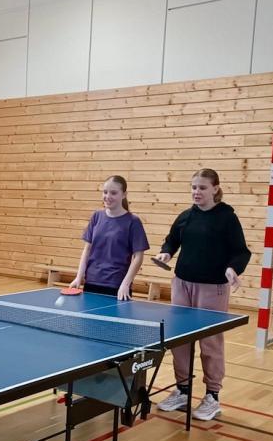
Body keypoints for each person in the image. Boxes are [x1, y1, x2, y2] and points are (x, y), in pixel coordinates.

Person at [154, 168, 251, 421]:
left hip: (212, 288)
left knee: (210, 342)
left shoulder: (227, 218)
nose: (197, 192)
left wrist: (233, 268)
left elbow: (241, 252)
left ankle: (212, 396)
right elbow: (172, 240)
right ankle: (183, 390)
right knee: (180, 340)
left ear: (215, 189)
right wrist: (166, 252)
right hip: (182, 285)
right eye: (194, 187)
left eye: (202, 188)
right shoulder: (186, 216)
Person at [68, 175, 149, 299]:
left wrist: (125, 284)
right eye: (105, 192)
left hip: (117, 286)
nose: (108, 196)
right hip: (92, 282)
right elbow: (87, 249)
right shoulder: (96, 216)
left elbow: (138, 257)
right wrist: (79, 277)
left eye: (113, 193)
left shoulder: (133, 221)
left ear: (124, 194)